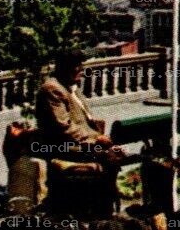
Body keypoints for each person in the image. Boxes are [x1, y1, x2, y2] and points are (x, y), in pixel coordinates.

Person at [35, 50, 121, 218]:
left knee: (116, 154)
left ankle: (104, 206)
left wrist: (98, 137)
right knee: (110, 157)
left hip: (79, 143)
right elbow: (64, 127)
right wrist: (96, 139)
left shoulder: (72, 89)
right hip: (61, 146)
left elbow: (82, 122)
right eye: (77, 66)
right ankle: (101, 210)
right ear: (64, 67)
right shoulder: (53, 89)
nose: (81, 70)